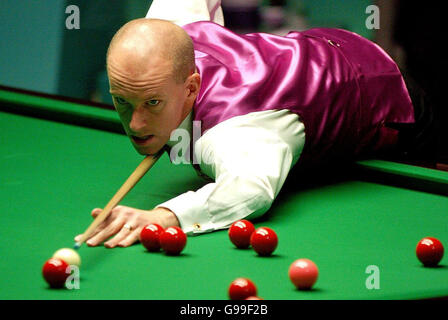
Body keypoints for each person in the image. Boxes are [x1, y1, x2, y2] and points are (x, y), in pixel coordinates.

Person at [75, 0, 426, 248]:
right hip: (315, 47)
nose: (135, 124)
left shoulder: (236, 130)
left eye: (152, 103)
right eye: (122, 101)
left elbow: (250, 189)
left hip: (382, 94)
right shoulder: (171, 26)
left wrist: (166, 216)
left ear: (191, 86)